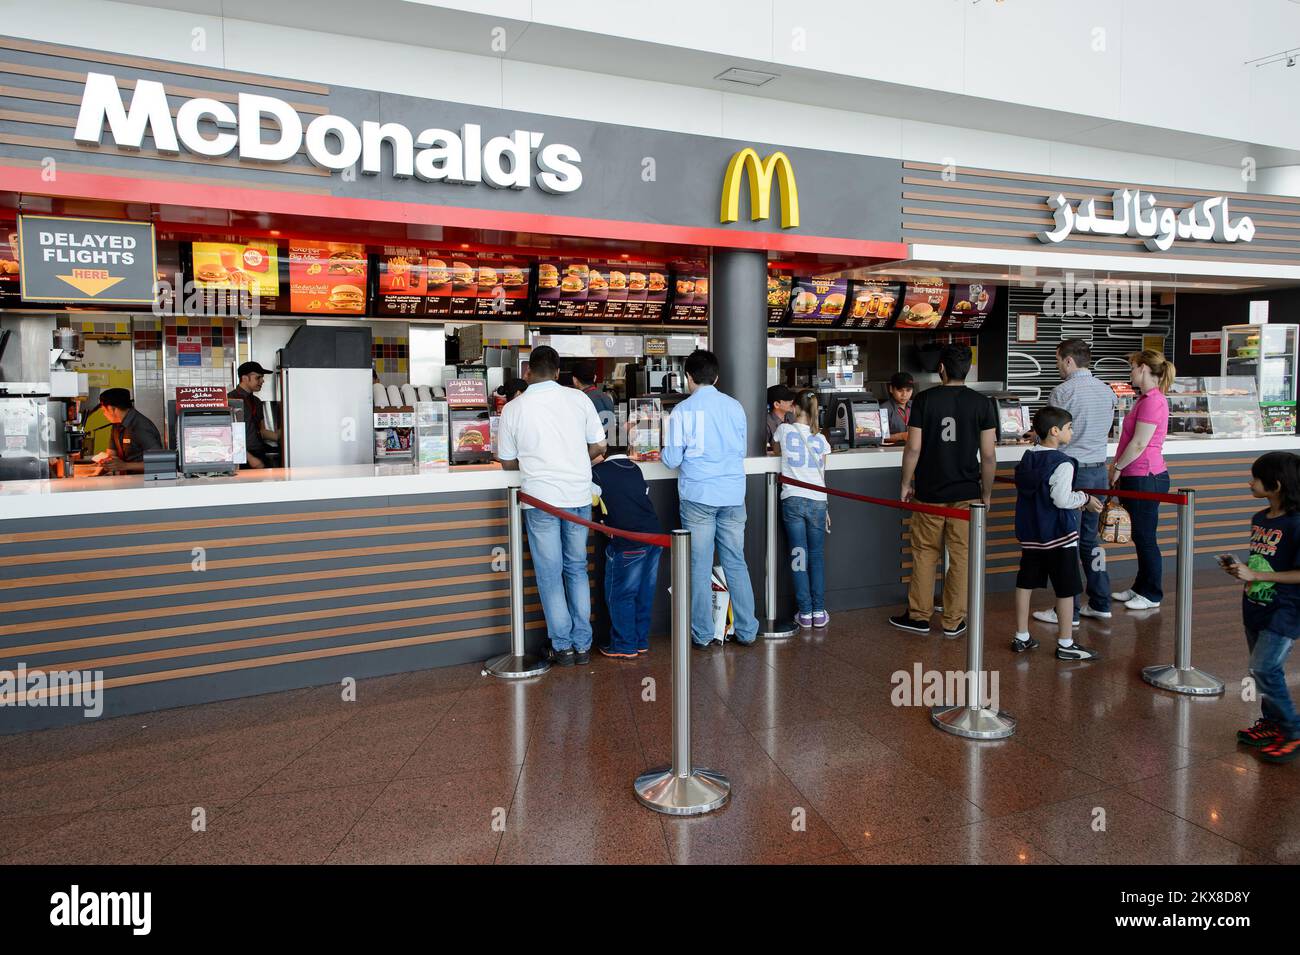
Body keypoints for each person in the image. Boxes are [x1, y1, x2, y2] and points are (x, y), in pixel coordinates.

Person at [497, 345, 608, 666]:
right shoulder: (578, 399)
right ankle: (582, 645)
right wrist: (573, 459)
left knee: (549, 574)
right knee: (575, 569)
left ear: (528, 372)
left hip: (540, 499)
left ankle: (563, 647)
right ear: (559, 372)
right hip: (577, 496)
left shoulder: (514, 409)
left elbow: (506, 463)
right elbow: (600, 444)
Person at [891, 343, 997, 638]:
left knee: (925, 554)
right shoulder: (982, 403)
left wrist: (905, 483)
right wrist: (985, 493)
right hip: (966, 494)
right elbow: (988, 456)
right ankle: (953, 621)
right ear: (969, 369)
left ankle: (920, 617)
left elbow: (913, 448)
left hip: (929, 493)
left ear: (941, 369)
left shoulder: (924, 401)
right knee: (961, 557)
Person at [661, 349, 759, 649]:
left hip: (699, 496)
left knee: (699, 565)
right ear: (716, 377)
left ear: (687, 377)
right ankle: (747, 630)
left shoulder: (682, 412)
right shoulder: (735, 407)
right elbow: (740, 450)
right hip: (732, 494)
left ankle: (703, 634)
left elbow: (671, 459)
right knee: (736, 562)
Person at [1032, 339, 1118, 627]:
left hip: (1070, 471)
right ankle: (1101, 602)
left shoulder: (1063, 391)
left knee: (1067, 542)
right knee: (1090, 542)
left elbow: (1051, 434)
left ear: (1069, 361)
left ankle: (1069, 612)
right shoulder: (1107, 391)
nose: (1057, 366)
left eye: (1058, 360)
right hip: (1098, 472)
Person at [1224, 451, 1300, 763]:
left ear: (1276, 485)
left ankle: (1292, 730)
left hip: (1286, 610)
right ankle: (1272, 723)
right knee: (1264, 671)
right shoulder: (1259, 518)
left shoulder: (1297, 524)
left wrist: (1256, 574)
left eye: (1255, 478)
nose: (1250, 482)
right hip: (1255, 605)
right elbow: (1263, 561)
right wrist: (1243, 572)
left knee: (1263, 667)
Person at [1010, 407, 1103, 661]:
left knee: (1025, 583)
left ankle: (1021, 635)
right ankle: (1065, 643)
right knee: (1066, 588)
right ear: (1055, 431)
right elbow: (1061, 499)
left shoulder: (1028, 458)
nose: (1071, 431)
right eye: (1069, 427)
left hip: (1031, 536)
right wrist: (1085, 498)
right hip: (1059, 536)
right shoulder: (1062, 463)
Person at [1109, 350, 1173, 611]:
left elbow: (1138, 443)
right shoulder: (1145, 399)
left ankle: (1152, 593)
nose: (1130, 372)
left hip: (1146, 475)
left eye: (1133, 367)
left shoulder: (1152, 401)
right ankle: (1140, 586)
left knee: (1146, 537)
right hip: (1137, 476)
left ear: (1144, 368)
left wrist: (1117, 468)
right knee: (1140, 534)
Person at [592, 451, 664, 658]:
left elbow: (591, 501)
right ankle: (640, 641)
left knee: (622, 595)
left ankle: (624, 645)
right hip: (654, 536)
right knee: (644, 593)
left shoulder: (597, 473)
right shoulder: (635, 468)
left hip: (627, 541)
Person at [772, 389, 831, 628]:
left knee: (799, 556)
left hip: (793, 499)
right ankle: (819, 611)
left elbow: (776, 451)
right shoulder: (822, 439)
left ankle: (804, 612)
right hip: (818, 500)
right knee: (816, 557)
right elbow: (822, 472)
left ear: (794, 408)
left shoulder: (784, 430)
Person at [95, 388, 162, 475]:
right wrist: (104, 464)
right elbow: (111, 453)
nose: (104, 414)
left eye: (104, 410)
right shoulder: (116, 424)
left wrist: (125, 466)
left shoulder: (140, 426)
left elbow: (158, 461)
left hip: (146, 481)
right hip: (127, 479)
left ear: (112, 409)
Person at [228, 361, 280, 469]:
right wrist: (250, 458)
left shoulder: (257, 401)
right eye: (258, 377)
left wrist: (283, 436)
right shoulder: (230, 400)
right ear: (245, 378)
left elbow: (261, 431)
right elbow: (228, 436)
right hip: (241, 457)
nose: (262, 381)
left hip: (259, 453)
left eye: (262, 378)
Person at [572, 361, 615, 434]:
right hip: (608, 442)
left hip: (592, 444)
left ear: (575, 380)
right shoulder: (607, 397)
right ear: (595, 378)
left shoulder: (581, 400)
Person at [883, 372, 914, 443]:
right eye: (900, 390)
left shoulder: (916, 406)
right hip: (891, 451)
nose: (904, 394)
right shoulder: (884, 409)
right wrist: (901, 436)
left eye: (908, 390)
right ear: (891, 389)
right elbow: (882, 436)